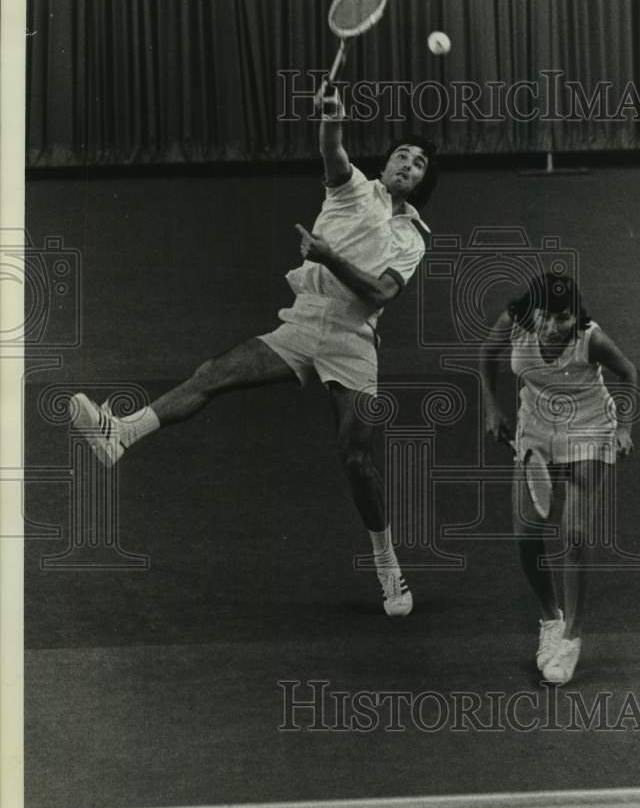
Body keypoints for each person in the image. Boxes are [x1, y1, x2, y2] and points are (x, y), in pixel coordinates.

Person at [70, 84, 438, 617]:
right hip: (305, 319)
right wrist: (331, 118)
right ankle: (121, 433)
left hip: (354, 338)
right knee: (213, 372)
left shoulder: (414, 238)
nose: (408, 163)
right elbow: (332, 150)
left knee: (355, 458)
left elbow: (380, 293)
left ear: (423, 181)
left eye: (420, 163)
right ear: (384, 165)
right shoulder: (353, 189)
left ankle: (389, 570)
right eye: (402, 154)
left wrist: (330, 257)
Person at [480, 272, 638, 685]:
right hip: (536, 426)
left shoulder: (591, 339)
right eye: (546, 317)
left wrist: (624, 428)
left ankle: (571, 636)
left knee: (575, 533)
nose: (553, 327)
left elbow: (628, 373)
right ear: (533, 312)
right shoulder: (515, 323)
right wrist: (492, 407)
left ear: (576, 315)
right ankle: (551, 617)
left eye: (563, 317)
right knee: (526, 533)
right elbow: (487, 357)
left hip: (588, 426)